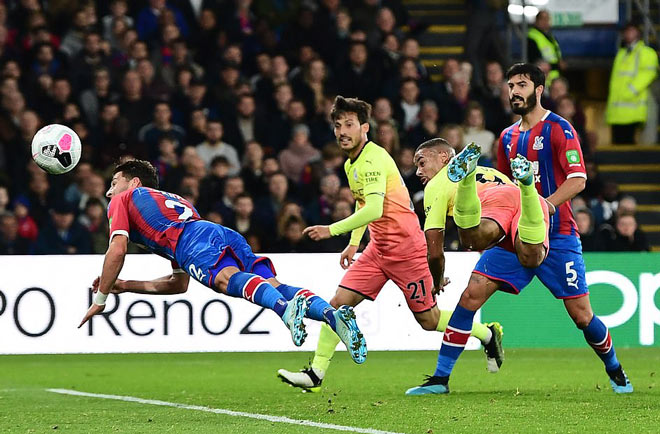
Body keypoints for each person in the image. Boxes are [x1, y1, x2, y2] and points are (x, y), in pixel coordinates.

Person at [408, 63, 633, 395]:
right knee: (470, 295)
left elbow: (578, 179)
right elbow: (501, 188)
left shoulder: (560, 128)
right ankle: (440, 379)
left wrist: (547, 204)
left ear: (539, 89)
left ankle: (616, 371)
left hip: (558, 234)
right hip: (512, 233)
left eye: (522, 85)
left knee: (582, 316)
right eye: (511, 85)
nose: (514, 91)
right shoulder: (507, 137)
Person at [277, 96, 503, 393]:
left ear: (365, 128)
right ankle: (316, 374)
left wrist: (332, 230)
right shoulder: (350, 164)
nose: (342, 131)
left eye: (349, 124)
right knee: (338, 306)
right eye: (337, 125)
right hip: (377, 249)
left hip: (408, 250)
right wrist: (354, 243)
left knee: (429, 319)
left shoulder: (374, 158)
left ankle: (486, 333)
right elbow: (362, 201)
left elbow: (374, 209)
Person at [78, 159, 367, 364]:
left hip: (192, 241)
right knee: (272, 283)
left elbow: (116, 249)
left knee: (226, 280)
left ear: (133, 183)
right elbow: (179, 284)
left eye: (114, 183)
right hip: (215, 231)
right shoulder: (170, 203)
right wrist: (125, 285)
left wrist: (101, 296)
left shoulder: (125, 200)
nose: (108, 192)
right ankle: (332, 316)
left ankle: (284, 310)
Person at [404, 138, 548, 395]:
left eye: (422, 162)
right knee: (524, 260)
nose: (418, 171)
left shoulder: (437, 184)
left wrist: (437, 280)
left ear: (444, 158)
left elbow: (434, 252)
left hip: (492, 210)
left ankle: (440, 380)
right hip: (526, 207)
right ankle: (529, 186)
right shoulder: (490, 171)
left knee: (471, 239)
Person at [605, 22, 658, 145]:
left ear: (638, 33)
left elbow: (649, 74)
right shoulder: (622, 53)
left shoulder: (646, 52)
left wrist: (630, 90)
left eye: (632, 30)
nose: (628, 34)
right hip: (616, 110)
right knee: (617, 144)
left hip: (633, 107)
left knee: (629, 144)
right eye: (626, 31)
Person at [527, 10, 563, 86]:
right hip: (542, 79)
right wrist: (557, 65)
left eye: (547, 19)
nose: (545, 21)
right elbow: (534, 60)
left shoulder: (550, 37)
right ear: (537, 21)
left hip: (553, 78)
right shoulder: (532, 36)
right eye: (542, 19)